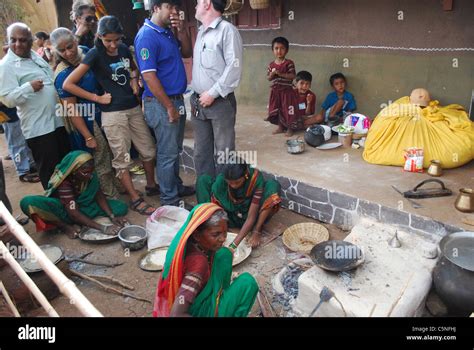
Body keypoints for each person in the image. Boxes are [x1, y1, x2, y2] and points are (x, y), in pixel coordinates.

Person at [63, 16, 159, 216]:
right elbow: (68, 84)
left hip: (133, 109)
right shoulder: (94, 54)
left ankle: (151, 185)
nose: (113, 45)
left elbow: (133, 68)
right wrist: (96, 98)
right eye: (108, 41)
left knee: (148, 150)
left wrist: (134, 80)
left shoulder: (124, 49)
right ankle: (134, 198)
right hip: (113, 114)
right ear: (99, 37)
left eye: (117, 39)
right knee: (122, 157)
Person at [134, 0, 195, 207]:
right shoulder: (147, 36)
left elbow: (187, 53)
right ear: (156, 8)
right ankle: (169, 198)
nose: (174, 12)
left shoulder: (167, 31)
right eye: (170, 7)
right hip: (161, 103)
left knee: (174, 149)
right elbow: (149, 76)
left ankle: (175, 186)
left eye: (177, 8)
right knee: (167, 153)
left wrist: (182, 30)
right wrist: (169, 106)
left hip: (176, 99)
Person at [153, 203, 258, 317]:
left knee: (224, 254)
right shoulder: (198, 264)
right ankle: (220, 308)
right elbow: (177, 314)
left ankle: (219, 295)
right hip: (198, 310)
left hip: (196, 292)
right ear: (197, 235)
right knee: (248, 283)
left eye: (225, 232)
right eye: (216, 234)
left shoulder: (185, 242)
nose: (223, 239)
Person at [50, 27, 120, 198]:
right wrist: (88, 136)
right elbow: (72, 110)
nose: (67, 53)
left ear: (75, 41)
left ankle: (118, 185)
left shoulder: (86, 53)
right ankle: (110, 196)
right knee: (100, 158)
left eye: (70, 47)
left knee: (114, 152)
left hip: (104, 112)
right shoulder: (62, 75)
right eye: (62, 50)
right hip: (87, 121)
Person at [0, 23, 71, 189]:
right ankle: (56, 209)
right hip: (39, 129)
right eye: (13, 40)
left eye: (23, 40)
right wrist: (28, 87)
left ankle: (71, 205)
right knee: (50, 173)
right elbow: (8, 100)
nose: (18, 44)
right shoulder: (6, 66)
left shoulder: (34, 56)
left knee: (65, 167)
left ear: (31, 41)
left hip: (57, 122)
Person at [20, 151, 128, 239]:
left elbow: (99, 195)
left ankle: (82, 222)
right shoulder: (64, 182)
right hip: (65, 210)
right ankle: (64, 226)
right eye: (85, 172)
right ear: (74, 171)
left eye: (91, 171)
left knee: (120, 207)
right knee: (29, 203)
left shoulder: (90, 175)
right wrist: (103, 228)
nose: (89, 175)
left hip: (84, 205)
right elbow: (73, 213)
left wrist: (112, 216)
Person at [190, 0, 243, 178]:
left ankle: (223, 198)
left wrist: (212, 93)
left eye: (198, 3)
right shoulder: (200, 33)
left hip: (220, 103)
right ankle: (206, 197)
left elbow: (234, 68)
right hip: (198, 102)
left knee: (224, 154)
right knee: (201, 153)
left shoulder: (227, 30)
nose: (195, 6)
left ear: (207, 3)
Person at [196, 162, 281, 248]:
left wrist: (233, 246)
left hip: (250, 215)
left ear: (246, 175)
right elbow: (216, 208)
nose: (233, 186)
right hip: (229, 215)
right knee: (203, 180)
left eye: (237, 182)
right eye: (230, 183)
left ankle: (257, 229)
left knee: (273, 186)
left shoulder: (254, 179)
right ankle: (214, 226)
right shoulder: (221, 181)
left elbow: (251, 216)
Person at [266, 37, 297, 137]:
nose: (279, 51)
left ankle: (290, 128)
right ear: (273, 50)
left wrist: (280, 74)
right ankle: (280, 127)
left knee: (288, 110)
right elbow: (269, 78)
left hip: (287, 92)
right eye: (276, 48)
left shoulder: (289, 63)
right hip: (275, 92)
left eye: (282, 48)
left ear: (286, 50)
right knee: (277, 109)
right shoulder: (271, 65)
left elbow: (292, 76)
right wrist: (272, 74)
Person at [0, 103, 39, 183]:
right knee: (17, 146)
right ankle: (23, 172)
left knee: (24, 142)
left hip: (16, 113)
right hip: (9, 116)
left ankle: (30, 165)